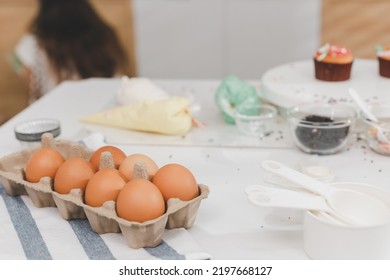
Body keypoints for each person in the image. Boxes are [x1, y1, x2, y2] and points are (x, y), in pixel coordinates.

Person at [14, 0, 131, 103]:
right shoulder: (105, 34)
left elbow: (32, 88)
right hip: (107, 106)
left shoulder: (32, 44)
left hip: (56, 112)